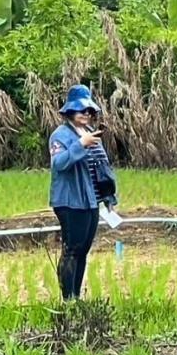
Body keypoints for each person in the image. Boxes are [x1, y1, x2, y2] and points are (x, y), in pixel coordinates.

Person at [48, 84, 118, 300]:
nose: (86, 114)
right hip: (70, 202)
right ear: (70, 111)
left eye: (90, 111)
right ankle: (67, 299)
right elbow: (59, 164)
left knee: (83, 251)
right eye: (82, 111)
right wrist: (80, 144)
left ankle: (75, 298)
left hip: (90, 201)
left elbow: (101, 168)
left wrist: (108, 197)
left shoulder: (90, 133)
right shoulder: (60, 136)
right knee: (71, 249)